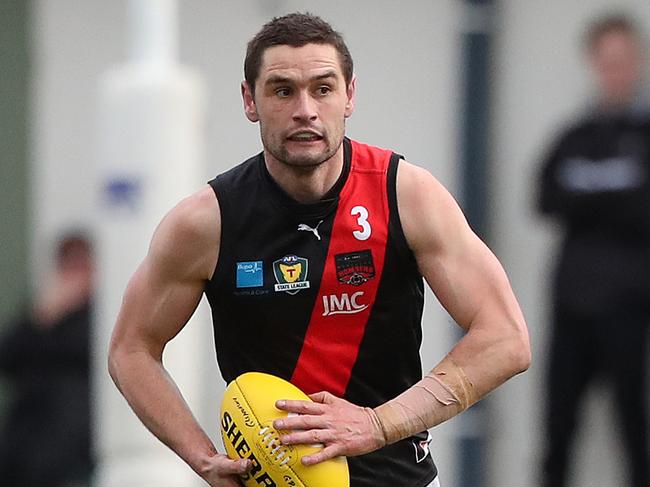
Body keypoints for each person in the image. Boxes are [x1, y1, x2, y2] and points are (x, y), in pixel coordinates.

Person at [108, 12, 530, 487]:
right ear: (250, 101)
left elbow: (505, 339)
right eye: (282, 90)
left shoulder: (406, 195)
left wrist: (377, 424)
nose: (305, 109)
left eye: (323, 88)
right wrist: (201, 456)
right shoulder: (207, 222)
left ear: (350, 96)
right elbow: (131, 349)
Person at [537, 14, 650, 487]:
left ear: (638, 63)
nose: (614, 71)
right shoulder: (572, 138)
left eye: (622, 61)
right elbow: (545, 199)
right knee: (558, 427)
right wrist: (617, 199)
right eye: (606, 62)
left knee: (632, 425)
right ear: (593, 64)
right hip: (572, 306)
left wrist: (589, 200)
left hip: (629, 306)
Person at [0, 231, 94, 486]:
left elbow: (84, 353)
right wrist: (42, 317)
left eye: (80, 266)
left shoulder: (100, 317)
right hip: (23, 451)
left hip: (72, 455)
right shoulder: (42, 313)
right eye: (67, 266)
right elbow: (8, 356)